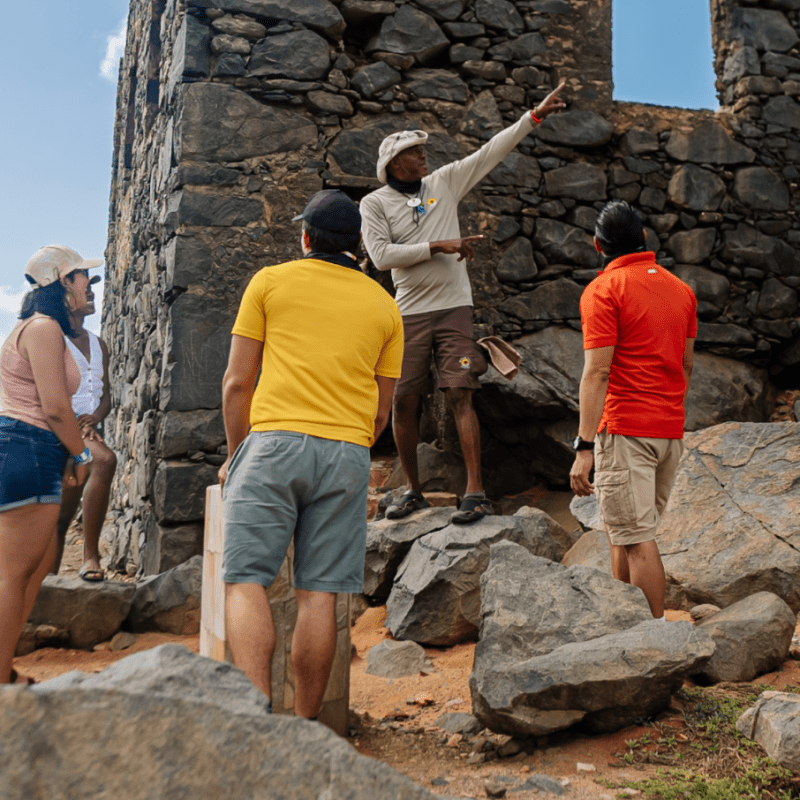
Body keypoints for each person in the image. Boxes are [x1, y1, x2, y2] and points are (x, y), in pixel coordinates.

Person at [218, 190, 404, 718]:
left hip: (273, 445)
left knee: (246, 578)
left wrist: (238, 455)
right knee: (319, 594)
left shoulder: (270, 283)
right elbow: (381, 414)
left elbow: (237, 384)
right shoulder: (385, 306)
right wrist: (344, 443)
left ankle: (256, 719)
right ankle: (307, 729)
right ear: (359, 248)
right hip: (346, 452)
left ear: (305, 238)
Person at [361, 81, 567, 524]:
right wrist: (439, 245)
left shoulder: (443, 182)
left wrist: (534, 116)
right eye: (415, 152)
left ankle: (475, 492)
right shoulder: (374, 203)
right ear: (395, 164)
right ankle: (413, 490)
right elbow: (380, 257)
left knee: (460, 393)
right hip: (409, 313)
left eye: (422, 151)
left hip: (455, 307)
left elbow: (490, 152)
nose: (424, 156)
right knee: (404, 400)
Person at [569, 201, 697, 620]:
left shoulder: (604, 290)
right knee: (624, 533)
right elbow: (686, 365)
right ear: (644, 239)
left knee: (638, 540)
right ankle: (623, 627)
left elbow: (597, 373)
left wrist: (584, 446)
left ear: (596, 245)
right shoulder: (682, 290)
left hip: (626, 432)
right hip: (668, 432)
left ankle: (652, 643)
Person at [0, 245, 98, 683]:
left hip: (31, 448)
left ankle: (5, 670)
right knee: (14, 571)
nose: (88, 285)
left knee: (34, 569)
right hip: (30, 445)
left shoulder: (39, 328)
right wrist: (81, 453)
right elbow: (55, 406)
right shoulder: (43, 329)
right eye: (82, 277)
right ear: (62, 283)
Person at [51, 271, 115, 581]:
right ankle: (45, 583)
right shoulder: (53, 340)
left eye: (92, 290)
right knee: (60, 520)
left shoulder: (99, 344)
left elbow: (106, 395)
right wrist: (75, 429)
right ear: (65, 296)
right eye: (86, 289)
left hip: (90, 433)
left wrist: (95, 419)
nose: (91, 294)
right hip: (58, 434)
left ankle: (91, 558)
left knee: (103, 459)